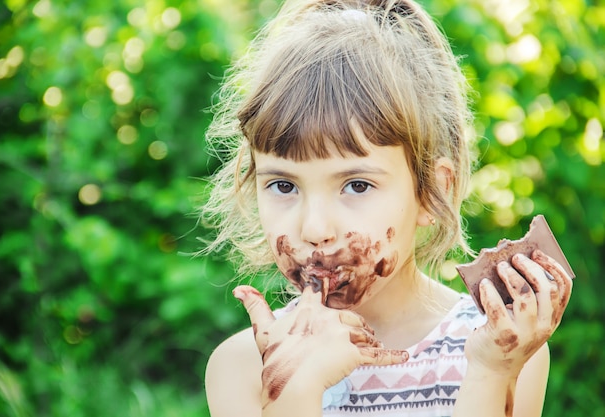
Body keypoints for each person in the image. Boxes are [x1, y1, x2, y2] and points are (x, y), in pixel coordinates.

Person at [201, 0, 573, 416]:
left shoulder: (496, 345)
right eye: (283, 184)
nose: (314, 227)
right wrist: (292, 388)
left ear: (432, 193)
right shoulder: (244, 366)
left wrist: (492, 372)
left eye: (356, 185)